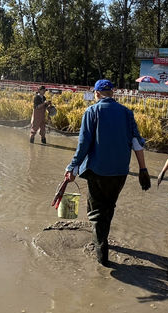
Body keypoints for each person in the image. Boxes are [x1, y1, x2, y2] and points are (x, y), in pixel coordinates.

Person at [64, 79, 151, 266]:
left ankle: (101, 250)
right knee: (108, 206)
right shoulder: (127, 113)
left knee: (96, 212)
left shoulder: (92, 111)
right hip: (120, 171)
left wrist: (72, 167)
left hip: (97, 170)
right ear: (113, 93)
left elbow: (83, 144)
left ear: (96, 93)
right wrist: (143, 169)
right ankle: (101, 236)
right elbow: (137, 143)